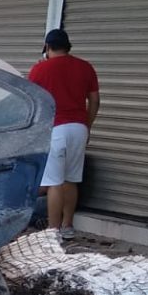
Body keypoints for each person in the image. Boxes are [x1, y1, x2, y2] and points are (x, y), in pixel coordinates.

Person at [28, 28, 99, 240]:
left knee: (54, 181)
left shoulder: (40, 70)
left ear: (47, 48)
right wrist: (87, 125)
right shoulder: (85, 67)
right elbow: (94, 100)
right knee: (71, 179)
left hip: (55, 129)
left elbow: (33, 103)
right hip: (79, 128)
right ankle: (68, 226)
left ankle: (53, 231)